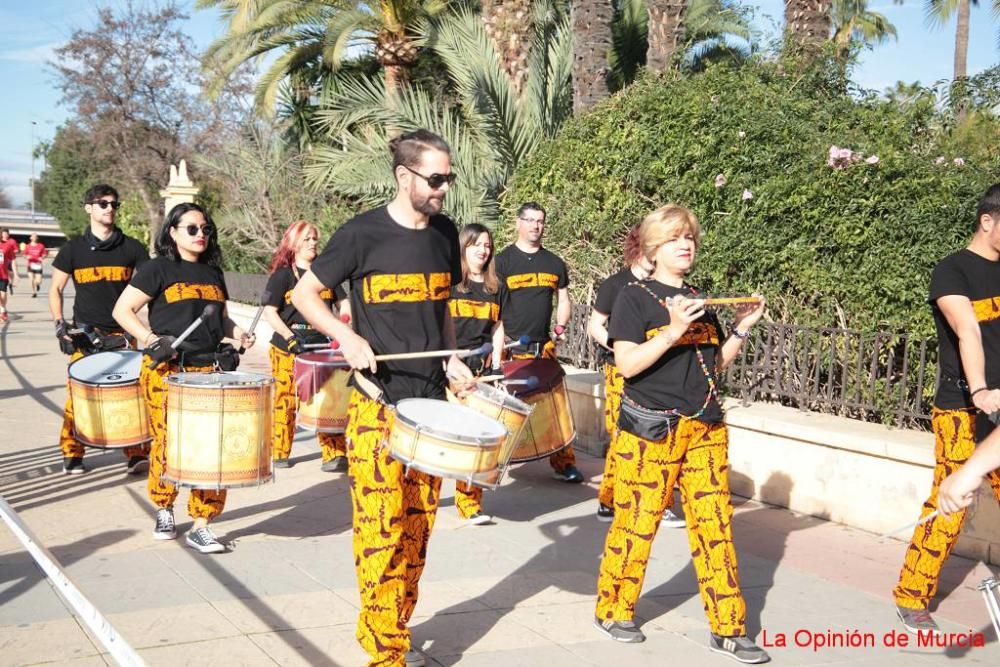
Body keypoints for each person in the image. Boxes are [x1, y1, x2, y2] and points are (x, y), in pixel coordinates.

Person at [291, 129, 473, 667]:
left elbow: (440, 309)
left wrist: (452, 357)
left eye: (449, 178)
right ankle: (384, 651)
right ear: (404, 176)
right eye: (436, 179)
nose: (444, 189)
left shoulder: (444, 234)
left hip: (431, 405)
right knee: (380, 530)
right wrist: (345, 337)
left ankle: (395, 624)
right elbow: (304, 295)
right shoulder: (360, 235)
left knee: (417, 530)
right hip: (377, 405)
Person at [594, 204, 769, 663]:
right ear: (654, 246)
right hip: (652, 430)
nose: (685, 244)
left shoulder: (698, 298)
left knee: (715, 529)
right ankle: (614, 608)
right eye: (674, 238)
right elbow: (627, 364)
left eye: (689, 236)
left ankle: (730, 628)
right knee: (637, 524)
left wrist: (740, 330)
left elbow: (714, 366)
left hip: (706, 430)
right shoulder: (634, 297)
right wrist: (672, 331)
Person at [113, 202, 255, 554]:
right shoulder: (157, 269)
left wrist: (238, 334)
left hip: (207, 370)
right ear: (172, 232)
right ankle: (164, 508)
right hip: (168, 370)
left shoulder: (213, 273)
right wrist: (149, 340)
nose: (200, 235)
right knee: (169, 443)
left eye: (205, 229)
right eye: (191, 229)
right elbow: (122, 310)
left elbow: (220, 320)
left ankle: (203, 523)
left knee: (211, 448)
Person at [892, 183, 1000, 635]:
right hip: (962, 407)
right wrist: (980, 391)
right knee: (952, 498)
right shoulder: (952, 270)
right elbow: (967, 331)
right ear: (988, 221)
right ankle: (911, 594)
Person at [588, 225, 684, 528]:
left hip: (658, 370)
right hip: (621, 370)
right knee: (623, 437)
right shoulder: (616, 285)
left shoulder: (664, 286)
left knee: (663, 438)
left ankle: (661, 502)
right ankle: (609, 498)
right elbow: (595, 325)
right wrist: (622, 348)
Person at [49, 185, 150, 474]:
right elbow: (55, 288)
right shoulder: (73, 250)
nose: (109, 208)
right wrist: (60, 326)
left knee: (131, 396)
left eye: (114, 204)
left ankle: (135, 453)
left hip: (122, 336)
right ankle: (72, 452)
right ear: (89, 208)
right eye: (102, 203)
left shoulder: (132, 249)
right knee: (78, 395)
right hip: (84, 336)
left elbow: (151, 288)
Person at [494, 202, 582, 483]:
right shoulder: (502, 262)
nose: (535, 225)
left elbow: (564, 299)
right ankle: (492, 461)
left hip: (543, 349)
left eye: (540, 221)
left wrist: (560, 326)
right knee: (502, 410)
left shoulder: (554, 263)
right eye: (530, 220)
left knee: (556, 409)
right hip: (510, 350)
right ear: (518, 223)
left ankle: (564, 463)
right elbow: (493, 304)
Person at [263, 220, 351, 471]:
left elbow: (343, 304)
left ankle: (334, 454)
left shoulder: (325, 275)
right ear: (294, 243)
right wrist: (289, 337)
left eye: (315, 238)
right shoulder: (282, 276)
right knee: (286, 400)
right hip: (287, 349)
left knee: (326, 399)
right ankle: (280, 451)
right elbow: (270, 312)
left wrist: (343, 324)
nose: (313, 243)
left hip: (321, 350)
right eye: (307, 239)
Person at [449, 222, 506, 525]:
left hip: (479, 372)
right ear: (464, 247)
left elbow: (498, 327)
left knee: (476, 438)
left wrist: (496, 365)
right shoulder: (450, 283)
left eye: (487, 245)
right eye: (477, 245)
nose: (484, 250)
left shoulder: (495, 287)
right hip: (449, 369)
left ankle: (469, 502)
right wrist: (450, 357)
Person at [0, 227, 19, 321]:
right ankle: (2, 310)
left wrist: (16, 274)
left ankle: (3, 309)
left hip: (3, 274)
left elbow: (13, 260)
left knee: (3, 295)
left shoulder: (8, 245)